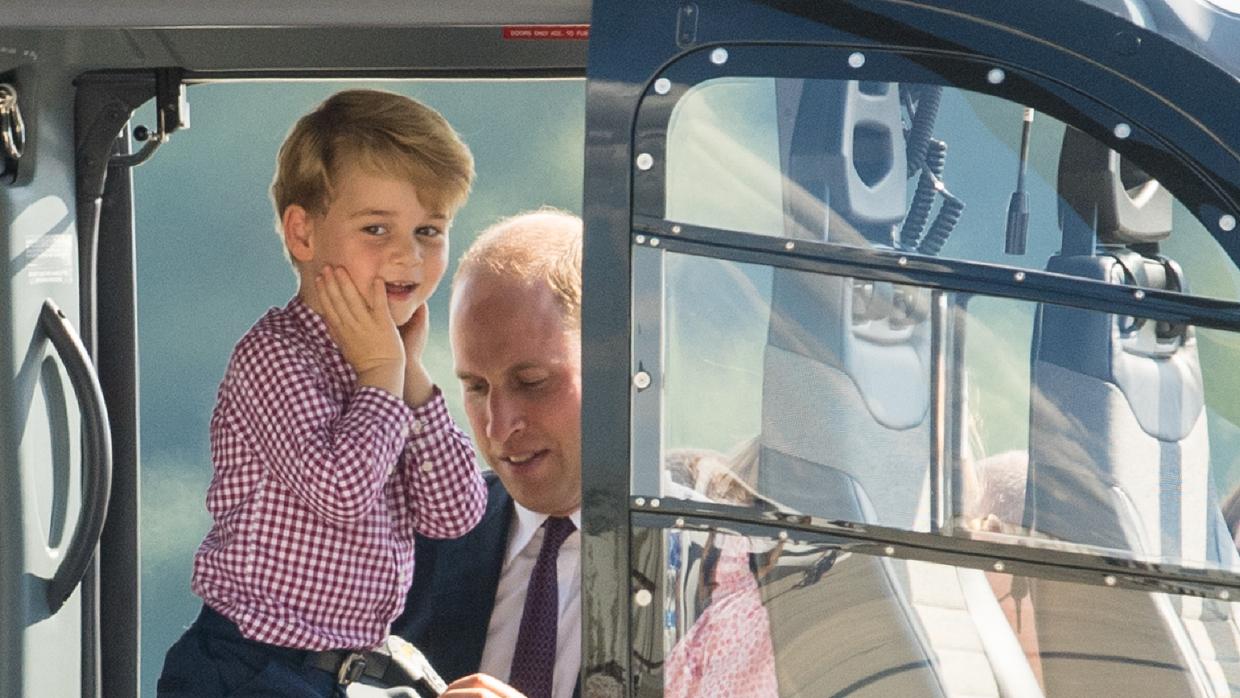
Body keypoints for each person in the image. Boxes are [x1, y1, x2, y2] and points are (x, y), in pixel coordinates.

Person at [157, 89, 488, 697]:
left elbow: (456, 513)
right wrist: (383, 373)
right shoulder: (277, 355)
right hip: (249, 665)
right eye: (376, 228)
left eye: (429, 229)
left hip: (343, 669)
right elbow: (339, 491)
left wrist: (410, 378)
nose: (407, 254)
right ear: (303, 233)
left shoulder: (388, 366)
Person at [389, 209, 583, 698]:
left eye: (531, 382)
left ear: (620, 360)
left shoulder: (712, 567)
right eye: (476, 387)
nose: (499, 427)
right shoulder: (409, 543)